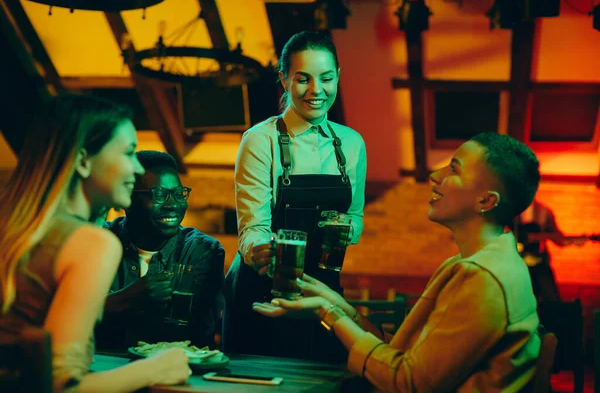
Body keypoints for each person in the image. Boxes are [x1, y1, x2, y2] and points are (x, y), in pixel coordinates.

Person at [254, 132, 542, 392]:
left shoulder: (482, 277)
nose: (435, 175)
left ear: (486, 201)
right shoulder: (483, 263)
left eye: (454, 169)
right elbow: (402, 352)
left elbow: (410, 382)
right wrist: (333, 301)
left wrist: (327, 313)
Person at [0, 94, 190, 392]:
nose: (138, 170)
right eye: (128, 153)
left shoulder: (15, 225)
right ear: (84, 162)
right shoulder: (92, 244)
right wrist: (156, 368)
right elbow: (63, 387)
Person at [223, 30, 367, 360]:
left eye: (326, 78)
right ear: (284, 79)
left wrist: (343, 230)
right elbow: (251, 230)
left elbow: (355, 219)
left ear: (338, 78)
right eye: (303, 79)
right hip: (264, 290)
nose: (317, 90)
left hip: (324, 288)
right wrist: (260, 250)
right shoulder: (261, 140)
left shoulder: (353, 143)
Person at [95, 150, 225, 350]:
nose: (172, 205)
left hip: (177, 370)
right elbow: (70, 316)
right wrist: (129, 298)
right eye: (160, 194)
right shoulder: (99, 241)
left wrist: (109, 306)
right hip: (102, 367)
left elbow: (194, 336)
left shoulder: (201, 251)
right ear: (126, 200)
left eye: (179, 194)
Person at [515, 200, 587, 302]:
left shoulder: (544, 211)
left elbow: (559, 239)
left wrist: (573, 240)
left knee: (552, 300)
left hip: (539, 264)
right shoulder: (508, 211)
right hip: (514, 266)